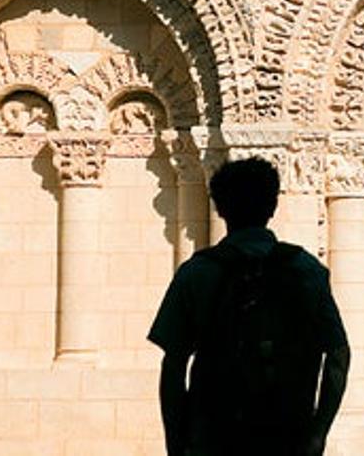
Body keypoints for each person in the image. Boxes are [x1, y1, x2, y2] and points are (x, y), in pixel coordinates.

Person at [148, 158, 350, 456]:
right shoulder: (307, 270)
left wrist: (177, 443)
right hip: (286, 435)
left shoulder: (197, 273)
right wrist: (318, 432)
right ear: (273, 206)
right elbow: (338, 353)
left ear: (219, 208)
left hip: (215, 437)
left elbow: (174, 365)